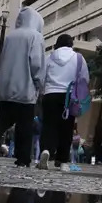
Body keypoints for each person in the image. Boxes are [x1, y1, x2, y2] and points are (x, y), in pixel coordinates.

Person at [0, 8, 46, 168]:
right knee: (24, 125)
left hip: (6, 87)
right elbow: (36, 63)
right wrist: (40, 84)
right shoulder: (36, 36)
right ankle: (22, 158)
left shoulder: (10, 36)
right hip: (25, 88)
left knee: (2, 120)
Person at [40, 34, 89, 170]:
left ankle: (46, 150)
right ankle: (62, 161)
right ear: (71, 44)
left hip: (50, 94)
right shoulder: (78, 58)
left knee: (49, 125)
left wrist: (42, 91)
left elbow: (41, 76)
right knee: (67, 127)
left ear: (57, 44)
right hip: (69, 96)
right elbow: (85, 78)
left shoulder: (49, 57)